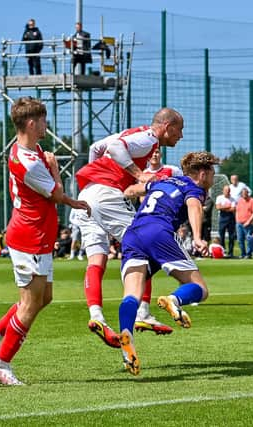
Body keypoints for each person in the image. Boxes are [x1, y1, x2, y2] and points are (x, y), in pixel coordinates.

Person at [0, 97, 90, 385]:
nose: (46, 126)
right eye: (43, 120)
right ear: (31, 123)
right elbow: (56, 193)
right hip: (29, 236)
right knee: (29, 304)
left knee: (44, 298)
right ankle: (1, 363)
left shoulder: (28, 148)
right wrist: (54, 168)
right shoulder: (29, 161)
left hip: (38, 235)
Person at [70, 108, 184, 346]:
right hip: (106, 195)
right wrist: (138, 174)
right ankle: (142, 312)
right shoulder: (149, 137)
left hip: (87, 195)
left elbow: (96, 149)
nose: (180, 136)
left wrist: (98, 179)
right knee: (145, 246)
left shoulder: (132, 134)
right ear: (167, 127)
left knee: (96, 261)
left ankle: (97, 316)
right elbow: (114, 149)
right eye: (179, 130)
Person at [117, 151, 219, 375]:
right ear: (202, 174)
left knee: (131, 294)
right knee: (200, 289)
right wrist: (199, 237)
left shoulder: (163, 181)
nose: (213, 177)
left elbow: (130, 191)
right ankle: (174, 299)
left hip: (133, 233)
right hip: (159, 231)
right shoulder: (194, 188)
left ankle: (127, 345)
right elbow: (194, 206)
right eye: (212, 172)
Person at [234, 188, 253, 258]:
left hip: (248, 224)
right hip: (239, 223)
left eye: (245, 193)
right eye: (243, 193)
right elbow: (237, 211)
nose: (244, 195)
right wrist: (237, 220)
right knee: (240, 240)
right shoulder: (239, 201)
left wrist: (249, 221)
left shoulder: (252, 200)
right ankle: (243, 254)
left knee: (249, 239)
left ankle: (248, 254)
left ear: (247, 193)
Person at [215, 185, 236, 257]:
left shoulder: (233, 199)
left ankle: (230, 253)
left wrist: (223, 207)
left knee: (231, 236)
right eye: (226, 190)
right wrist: (228, 206)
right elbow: (218, 207)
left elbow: (233, 209)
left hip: (231, 218)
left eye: (228, 190)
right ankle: (223, 252)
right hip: (222, 218)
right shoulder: (219, 198)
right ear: (223, 191)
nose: (227, 192)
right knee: (222, 236)